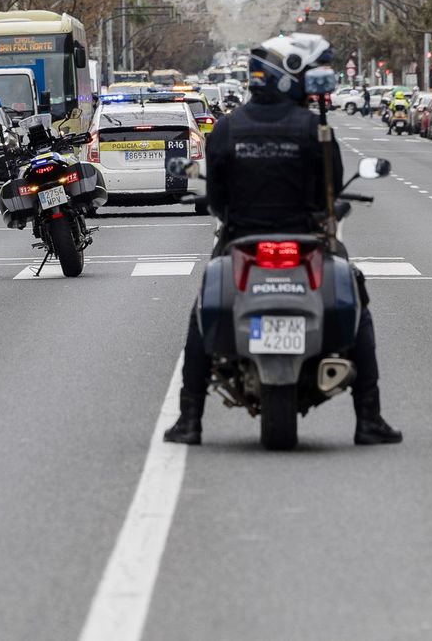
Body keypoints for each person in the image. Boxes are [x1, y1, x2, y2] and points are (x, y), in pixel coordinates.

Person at [163, 34, 401, 447]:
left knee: (203, 312)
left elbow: (217, 200)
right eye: (309, 76)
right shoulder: (313, 128)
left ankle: (189, 418)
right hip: (307, 239)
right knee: (356, 302)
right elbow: (328, 192)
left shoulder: (226, 128)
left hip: (241, 238)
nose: (315, 86)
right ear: (287, 77)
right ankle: (369, 417)